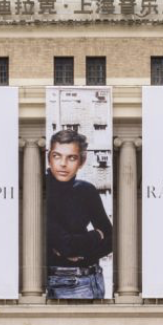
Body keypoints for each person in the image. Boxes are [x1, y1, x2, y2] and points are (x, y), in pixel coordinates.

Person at [45, 128, 113, 299]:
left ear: (81, 162)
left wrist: (79, 252)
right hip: (63, 283)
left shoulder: (86, 190)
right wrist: (96, 236)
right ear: (49, 158)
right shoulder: (42, 190)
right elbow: (65, 245)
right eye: (57, 156)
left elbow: (112, 240)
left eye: (71, 158)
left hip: (95, 279)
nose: (63, 164)